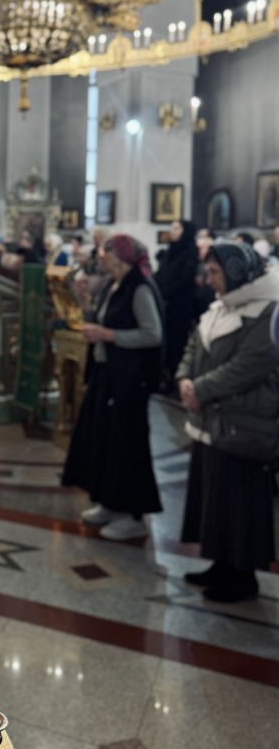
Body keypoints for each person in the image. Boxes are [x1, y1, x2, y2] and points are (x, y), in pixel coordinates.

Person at [177, 243, 279, 603]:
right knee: (215, 497)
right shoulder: (221, 305)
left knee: (240, 501)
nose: (208, 280)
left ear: (237, 272)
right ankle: (221, 564)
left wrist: (200, 389)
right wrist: (184, 378)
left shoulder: (268, 310)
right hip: (212, 419)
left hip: (244, 423)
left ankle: (243, 576)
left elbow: (251, 364)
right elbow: (193, 346)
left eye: (215, 272)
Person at [62, 234, 164, 540]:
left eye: (104, 251)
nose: (100, 256)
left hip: (129, 380)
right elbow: (102, 319)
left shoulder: (139, 287)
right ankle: (108, 501)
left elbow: (153, 334)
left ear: (119, 256)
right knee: (105, 440)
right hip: (107, 374)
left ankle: (132, 514)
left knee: (127, 444)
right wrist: (83, 300)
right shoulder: (112, 284)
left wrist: (107, 335)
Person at [154, 220, 199, 385]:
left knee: (177, 342)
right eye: (172, 227)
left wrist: (166, 294)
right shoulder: (170, 251)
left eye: (177, 228)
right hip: (164, 303)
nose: (172, 231)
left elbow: (185, 279)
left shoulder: (190, 252)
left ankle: (176, 378)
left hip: (180, 305)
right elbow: (162, 274)